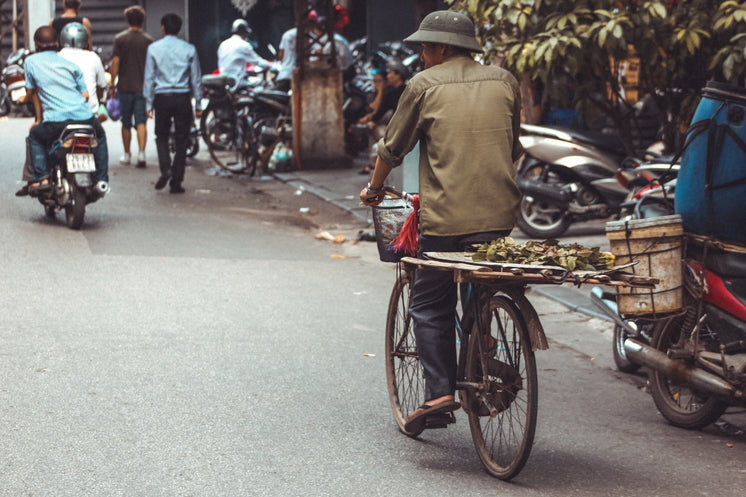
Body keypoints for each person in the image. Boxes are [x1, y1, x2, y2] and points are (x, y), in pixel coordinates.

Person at [359, 11, 523, 433]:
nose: (421, 55)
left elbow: (392, 148)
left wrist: (374, 190)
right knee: (482, 283)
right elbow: (514, 143)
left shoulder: (423, 86)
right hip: (500, 216)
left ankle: (439, 394)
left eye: (426, 47)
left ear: (446, 48)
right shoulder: (504, 81)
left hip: (445, 219)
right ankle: (481, 342)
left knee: (429, 304)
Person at [22, 25, 108, 193]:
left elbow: (31, 92)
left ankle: (42, 178)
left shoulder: (30, 62)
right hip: (85, 117)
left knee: (34, 136)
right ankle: (101, 180)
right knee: (101, 137)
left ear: (36, 45)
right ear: (57, 44)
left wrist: (24, 100)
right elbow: (85, 96)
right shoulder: (70, 65)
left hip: (56, 122)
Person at [143, 13, 202, 194]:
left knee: (161, 135)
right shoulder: (189, 49)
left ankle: (166, 168)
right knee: (182, 139)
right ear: (179, 28)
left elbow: (149, 78)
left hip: (162, 98)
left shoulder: (153, 49)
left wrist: (148, 103)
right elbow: (196, 79)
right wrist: (198, 103)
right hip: (183, 97)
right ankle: (176, 181)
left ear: (162, 28)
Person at [110, 5, 154, 168]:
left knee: (126, 122)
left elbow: (115, 62)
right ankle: (141, 154)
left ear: (128, 20)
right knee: (141, 121)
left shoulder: (120, 39)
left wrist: (112, 83)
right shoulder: (149, 40)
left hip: (124, 86)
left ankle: (127, 154)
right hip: (143, 87)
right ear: (142, 21)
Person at [358, 59, 408, 174]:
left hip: (397, 134)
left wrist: (370, 121)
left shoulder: (393, 93)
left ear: (398, 75)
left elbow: (378, 114)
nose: (388, 76)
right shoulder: (405, 90)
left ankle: (374, 163)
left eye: (391, 73)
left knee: (371, 128)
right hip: (402, 131)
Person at [57, 22, 107, 121]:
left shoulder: (57, 57)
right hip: (90, 113)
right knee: (101, 135)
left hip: (63, 114)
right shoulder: (93, 57)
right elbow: (102, 85)